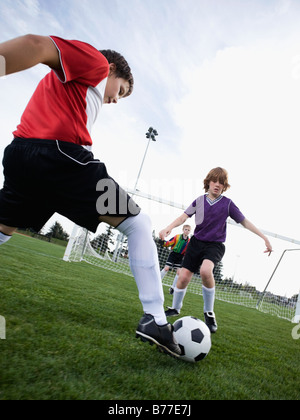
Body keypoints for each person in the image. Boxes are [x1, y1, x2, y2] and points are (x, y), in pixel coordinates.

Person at [0, 34, 181, 358]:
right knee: (138, 223)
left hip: (21, 156)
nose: (116, 100)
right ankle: (155, 318)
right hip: (59, 158)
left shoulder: (69, 87)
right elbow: (36, 45)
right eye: (121, 90)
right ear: (111, 69)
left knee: (3, 228)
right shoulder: (96, 62)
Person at [159, 167, 272, 333]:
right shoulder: (199, 201)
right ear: (208, 182)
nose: (217, 184)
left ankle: (209, 312)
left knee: (206, 271)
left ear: (225, 186)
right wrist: (168, 227)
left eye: (221, 182)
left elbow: (245, 221)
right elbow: (184, 217)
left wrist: (265, 238)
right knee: (182, 277)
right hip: (196, 243)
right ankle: (175, 308)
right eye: (214, 181)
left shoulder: (227, 204)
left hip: (215, 245)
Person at [160, 225, 191, 294]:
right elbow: (169, 243)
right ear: (183, 230)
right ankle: (157, 282)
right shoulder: (177, 237)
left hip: (180, 257)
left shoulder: (189, 241)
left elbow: (188, 251)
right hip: (173, 254)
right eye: (186, 229)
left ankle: (173, 288)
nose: (187, 231)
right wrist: (163, 242)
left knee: (179, 273)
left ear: (190, 232)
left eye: (188, 230)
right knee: (166, 269)